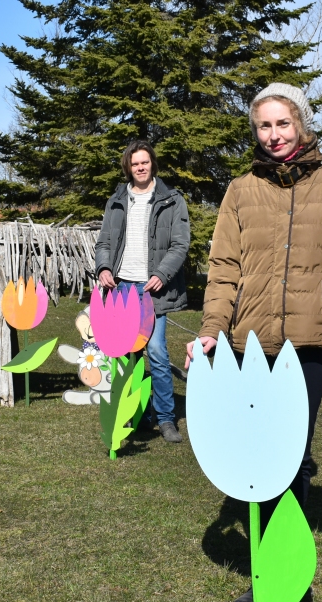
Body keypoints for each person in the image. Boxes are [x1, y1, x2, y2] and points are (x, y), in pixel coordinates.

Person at [184, 83, 322, 602]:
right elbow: (223, 269)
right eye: (264, 126)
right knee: (258, 454)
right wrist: (212, 329)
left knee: (292, 456)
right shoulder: (241, 190)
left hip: (310, 347)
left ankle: (289, 574)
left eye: (282, 124)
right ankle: (269, 566)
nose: (274, 136)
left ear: (301, 124)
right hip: (249, 345)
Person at [95, 140, 191, 443]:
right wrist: (104, 269)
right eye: (135, 163)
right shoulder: (116, 201)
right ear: (128, 167)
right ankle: (131, 414)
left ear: (153, 165)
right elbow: (104, 243)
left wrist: (162, 274)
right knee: (126, 354)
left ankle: (164, 418)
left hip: (153, 290)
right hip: (121, 287)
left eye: (145, 162)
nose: (140, 167)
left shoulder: (172, 200)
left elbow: (180, 244)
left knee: (157, 352)